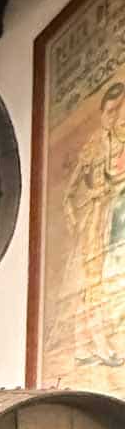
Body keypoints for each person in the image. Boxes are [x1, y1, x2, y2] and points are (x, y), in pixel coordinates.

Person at [62, 80, 125, 367]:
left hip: (113, 215)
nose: (116, 117)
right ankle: (97, 346)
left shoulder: (119, 144)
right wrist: (74, 219)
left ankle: (91, 345)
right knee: (92, 284)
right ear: (103, 113)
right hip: (96, 219)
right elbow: (70, 192)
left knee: (105, 282)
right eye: (111, 111)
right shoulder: (95, 145)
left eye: (119, 111)